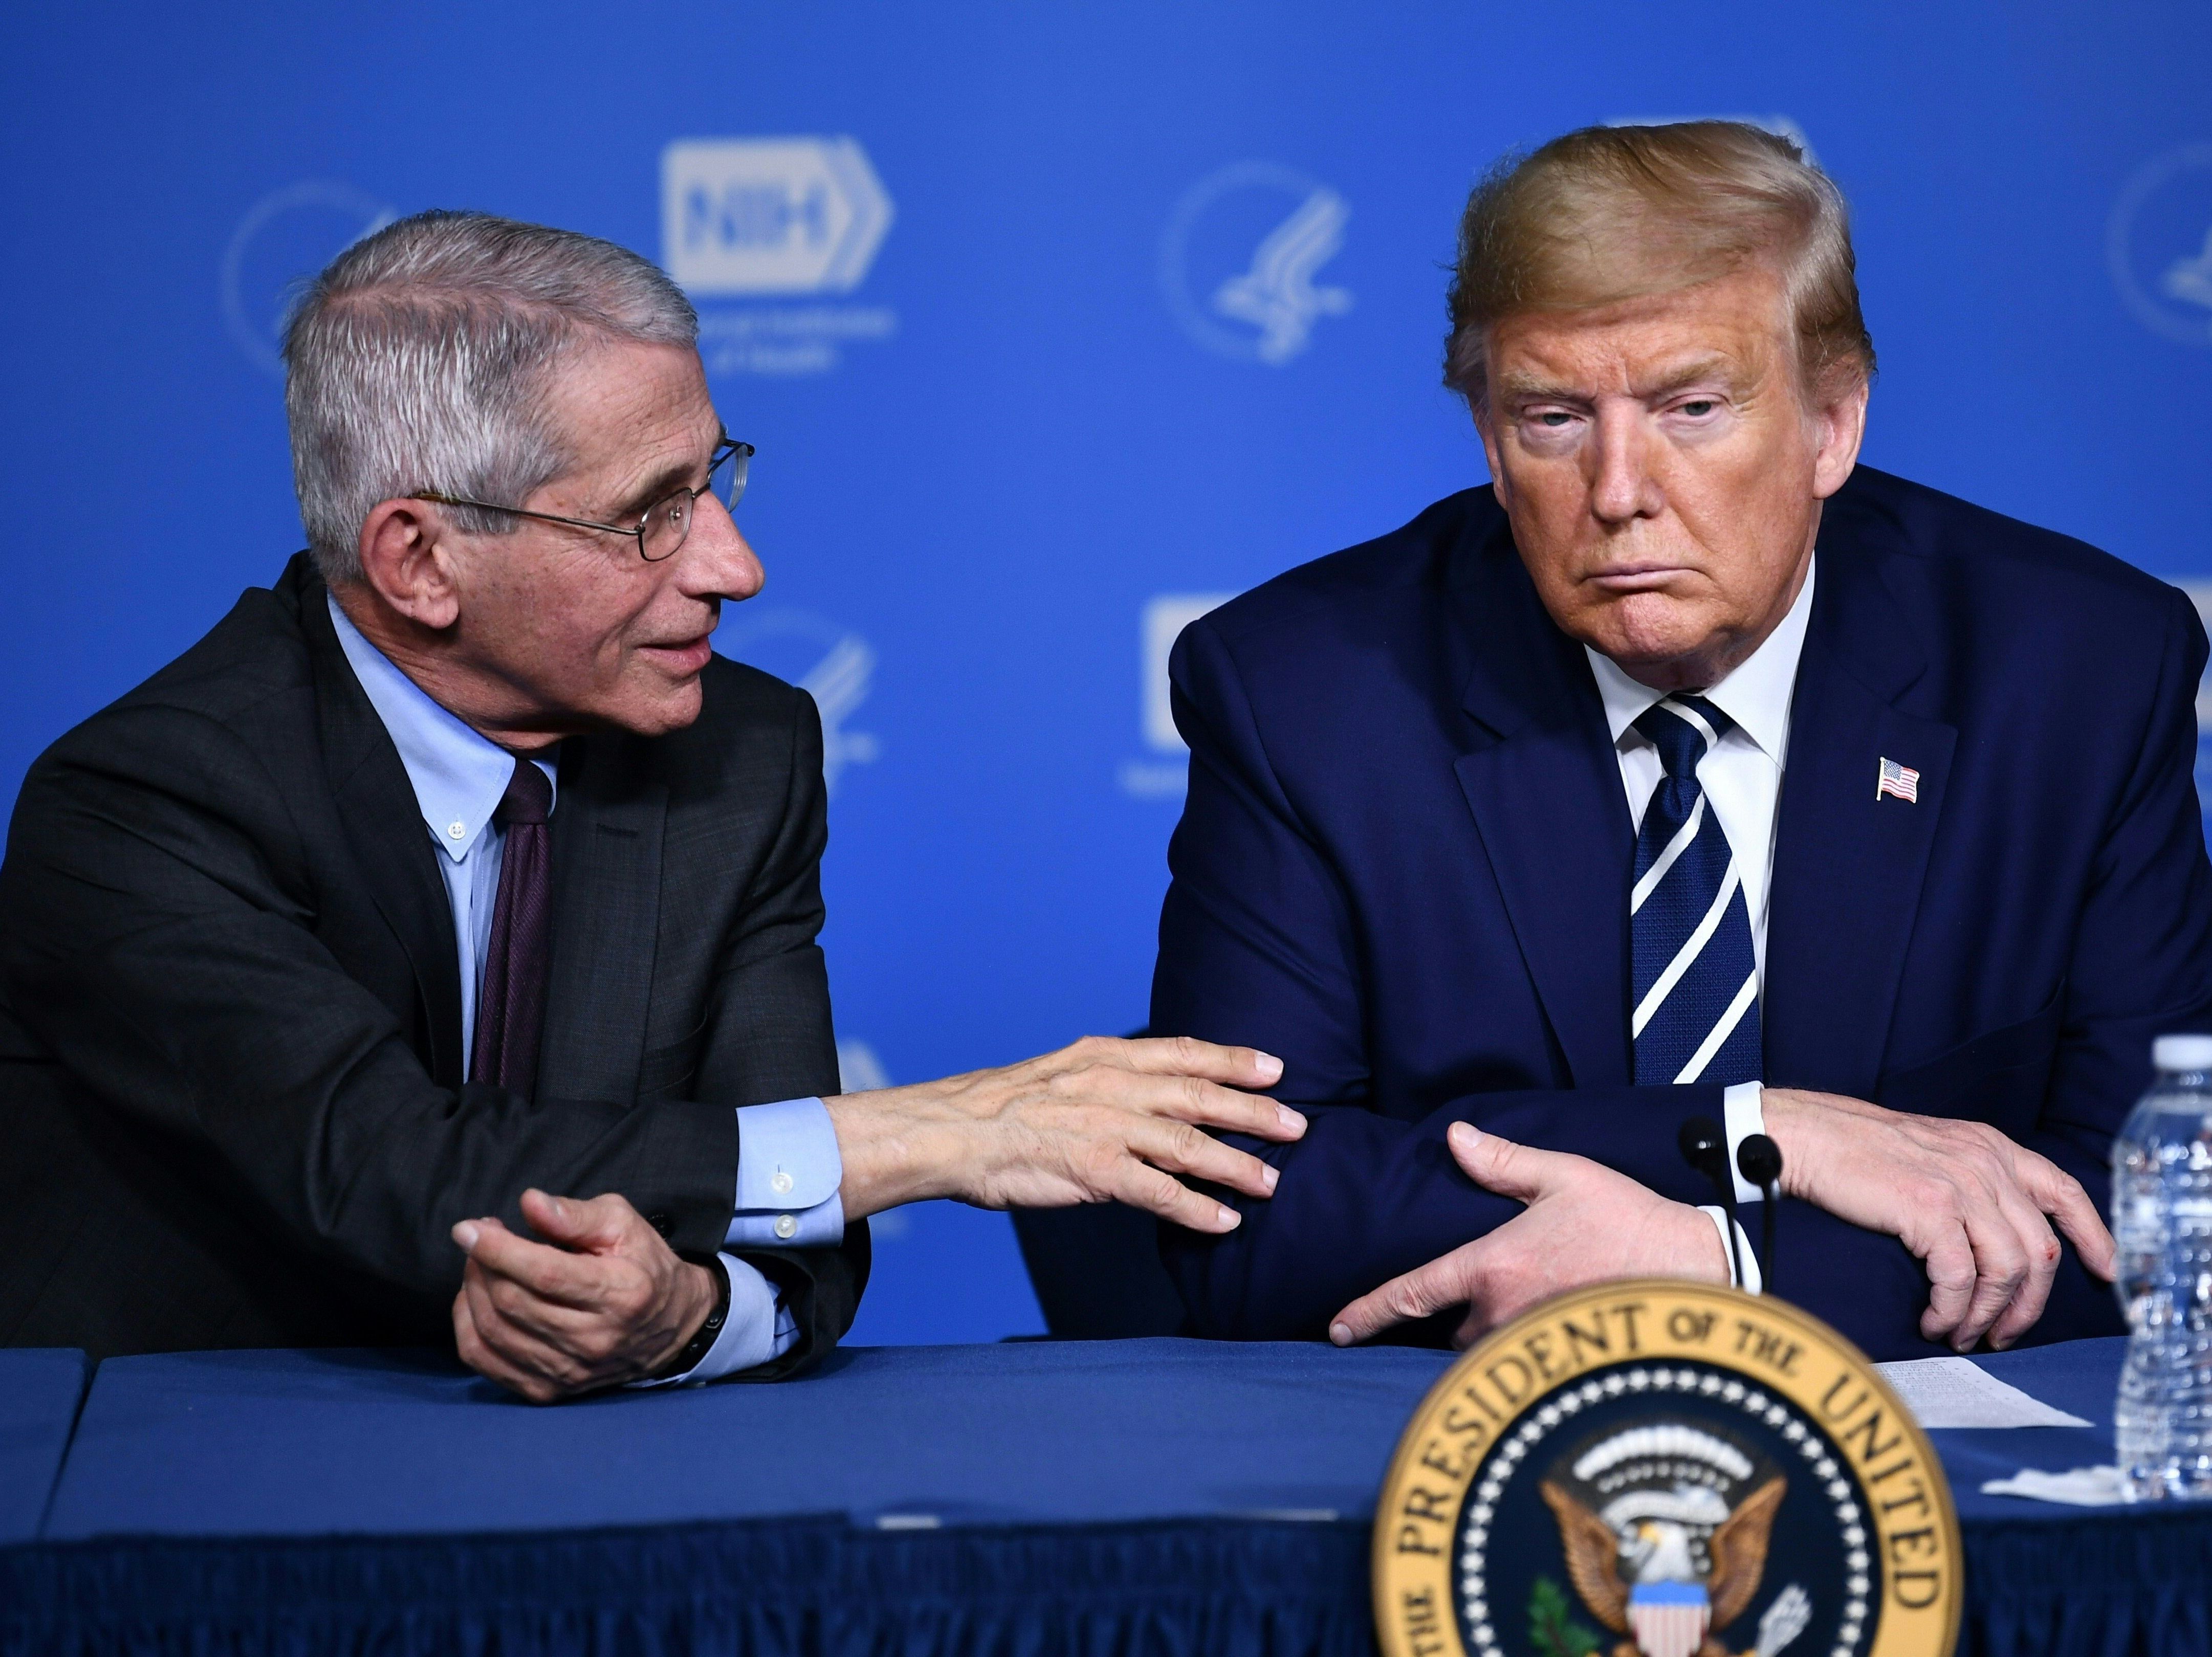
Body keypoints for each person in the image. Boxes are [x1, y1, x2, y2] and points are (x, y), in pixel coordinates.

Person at [0, 211, 1301, 1401]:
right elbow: (397, 1168)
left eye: (713, 478)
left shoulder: (742, 752)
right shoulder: (140, 804)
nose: (735, 567)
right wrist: (929, 1132)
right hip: (197, 1507)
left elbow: (801, 1246)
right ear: (419, 560)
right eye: (648, 518)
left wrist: (686, 1312)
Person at [1151, 122, 2212, 1363]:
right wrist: (1751, 1130)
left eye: (1690, 408)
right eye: (1549, 418)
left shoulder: (2073, 671)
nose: (1615, 490)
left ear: (1831, 425)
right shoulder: (1304, 694)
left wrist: (1720, 1267)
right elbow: (1241, 1212)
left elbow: (2155, 1220)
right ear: (1491, 444)